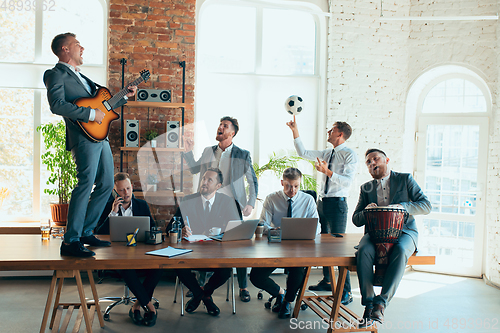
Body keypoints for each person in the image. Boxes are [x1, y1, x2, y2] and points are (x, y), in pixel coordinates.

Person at [44, 33, 137, 257]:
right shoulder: (55, 74)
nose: (82, 48)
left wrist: (124, 97)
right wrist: (89, 113)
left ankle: (86, 231)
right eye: (77, 44)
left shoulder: (83, 77)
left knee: (106, 185)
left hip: (100, 137)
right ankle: (70, 240)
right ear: (65, 49)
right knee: (85, 183)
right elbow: (57, 105)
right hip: (83, 137)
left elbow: (102, 107)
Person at [353, 148, 431, 327]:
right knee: (363, 251)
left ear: (386, 160)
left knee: (401, 250)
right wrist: (367, 211)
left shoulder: (405, 179)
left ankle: (381, 303)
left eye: (376, 159)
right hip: (374, 234)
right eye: (368, 162)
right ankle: (369, 303)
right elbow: (356, 220)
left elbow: (426, 206)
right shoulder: (366, 188)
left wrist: (404, 207)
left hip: (405, 231)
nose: (372, 163)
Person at [183, 116, 258, 302]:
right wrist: (188, 152)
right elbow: (194, 169)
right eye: (220, 125)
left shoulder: (243, 154)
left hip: (232, 205)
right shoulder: (209, 151)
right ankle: (200, 285)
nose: (220, 127)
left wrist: (250, 202)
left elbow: (252, 180)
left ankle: (243, 286)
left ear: (232, 133)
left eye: (225, 126)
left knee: (238, 246)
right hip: (209, 204)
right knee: (204, 242)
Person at [286, 117, 358, 305]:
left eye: (331, 130)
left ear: (340, 134)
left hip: (338, 204)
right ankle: (328, 281)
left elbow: (348, 182)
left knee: (338, 250)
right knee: (322, 245)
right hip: (323, 203)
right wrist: (295, 131)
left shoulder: (349, 155)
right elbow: (303, 152)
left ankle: (346, 292)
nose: (328, 132)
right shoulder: (328, 152)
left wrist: (327, 172)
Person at [167, 168, 240, 316]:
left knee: (226, 269)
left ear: (218, 186)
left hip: (217, 252)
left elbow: (237, 229)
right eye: (203, 179)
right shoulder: (188, 200)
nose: (204, 182)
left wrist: (223, 231)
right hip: (192, 252)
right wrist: (181, 229)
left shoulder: (228, 202)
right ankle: (204, 296)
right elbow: (170, 228)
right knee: (178, 265)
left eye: (209, 180)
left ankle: (202, 294)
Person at [250, 168, 319, 319]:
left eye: (296, 186)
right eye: (288, 186)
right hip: (275, 247)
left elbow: (317, 227)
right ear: (282, 183)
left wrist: (302, 231)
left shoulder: (308, 200)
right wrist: (275, 230)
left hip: (299, 248)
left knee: (298, 270)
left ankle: (287, 301)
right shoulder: (271, 199)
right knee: (256, 277)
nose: (292, 190)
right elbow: (263, 224)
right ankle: (280, 293)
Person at [96, 173, 161, 327]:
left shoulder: (142, 205)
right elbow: (98, 233)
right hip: (116, 256)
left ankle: (137, 306)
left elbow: (152, 229)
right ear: (115, 191)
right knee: (126, 267)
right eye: (121, 190)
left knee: (158, 267)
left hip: (140, 254)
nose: (125, 193)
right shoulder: (107, 207)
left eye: (128, 188)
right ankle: (150, 308)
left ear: (132, 187)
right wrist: (113, 213)